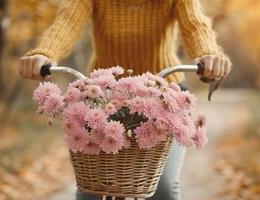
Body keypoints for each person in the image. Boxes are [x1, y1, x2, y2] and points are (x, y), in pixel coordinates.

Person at [19, 0, 232, 199]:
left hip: (165, 95)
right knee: (91, 189)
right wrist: (46, 53)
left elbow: (196, 26)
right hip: (103, 97)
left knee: (163, 188)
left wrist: (208, 55)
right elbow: (67, 21)